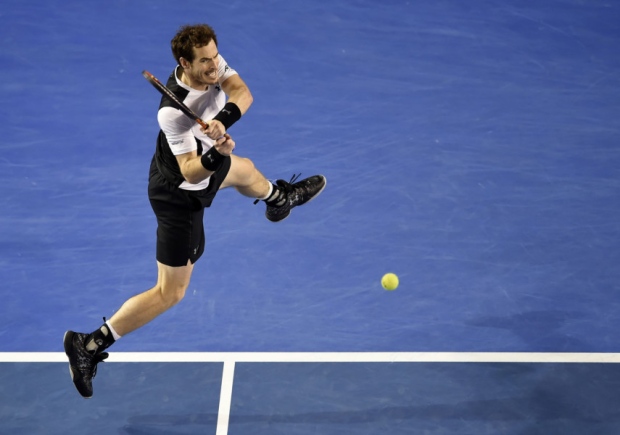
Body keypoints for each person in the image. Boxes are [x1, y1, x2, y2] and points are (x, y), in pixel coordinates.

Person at [63, 24, 326, 398]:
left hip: (204, 169)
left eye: (216, 57)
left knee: (246, 170)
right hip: (180, 196)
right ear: (185, 63)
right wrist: (215, 153)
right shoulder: (173, 113)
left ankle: (278, 202)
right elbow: (190, 170)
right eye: (205, 61)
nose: (214, 66)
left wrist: (224, 121)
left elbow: (242, 92)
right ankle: (87, 344)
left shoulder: (211, 64)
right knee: (171, 292)